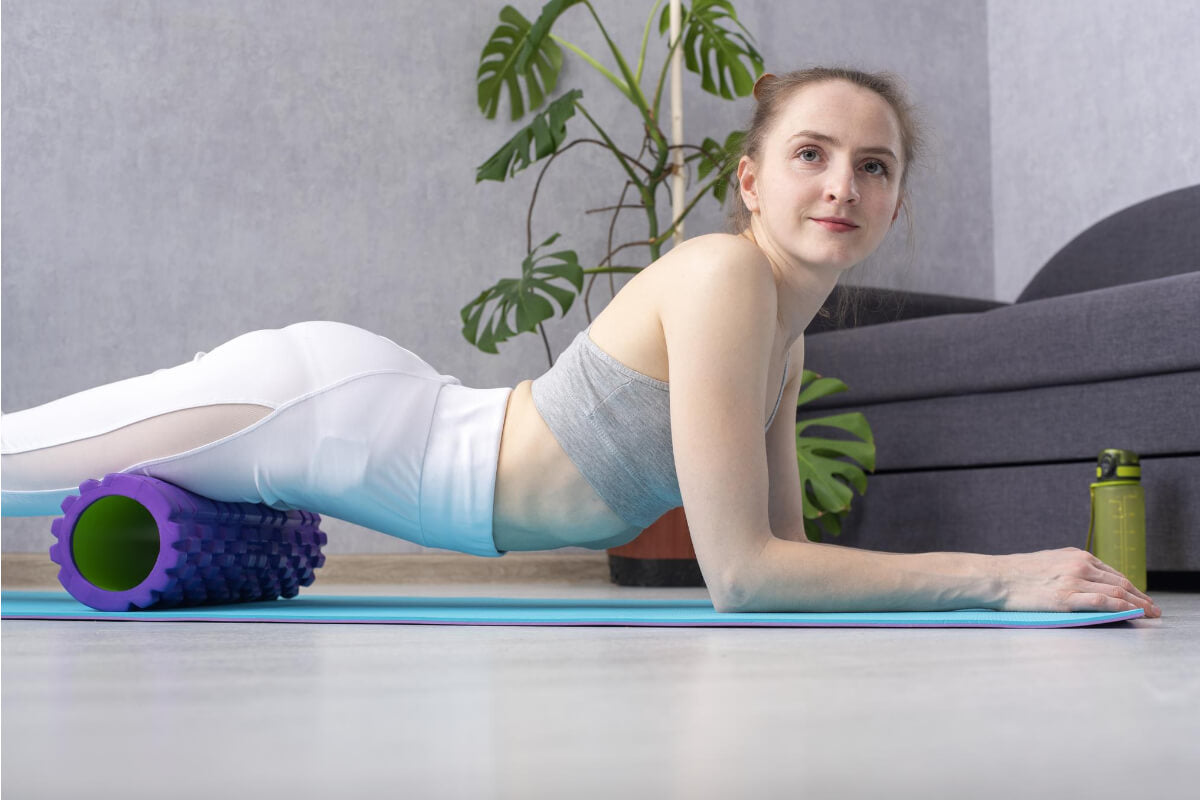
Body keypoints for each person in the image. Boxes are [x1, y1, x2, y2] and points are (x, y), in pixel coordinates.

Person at [0, 66, 1161, 618]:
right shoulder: (719, 278)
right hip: (329, 409)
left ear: (897, 204)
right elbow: (745, 580)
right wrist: (1004, 575)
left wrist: (1005, 582)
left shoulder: (785, 338)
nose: (841, 183)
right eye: (810, 153)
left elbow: (776, 559)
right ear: (749, 179)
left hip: (397, 411)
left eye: (873, 165)